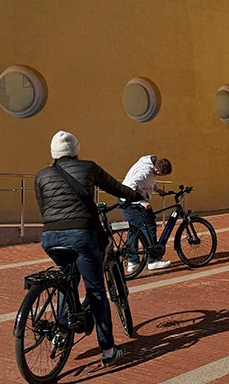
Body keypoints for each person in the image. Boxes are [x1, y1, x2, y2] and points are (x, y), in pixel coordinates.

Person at [34, 131, 144, 368]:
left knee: (67, 281)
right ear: (75, 150)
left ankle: (61, 331)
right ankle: (108, 350)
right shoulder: (88, 167)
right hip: (83, 235)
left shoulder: (42, 175)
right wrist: (136, 195)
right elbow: (115, 186)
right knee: (95, 291)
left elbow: (43, 206)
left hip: (50, 237)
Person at [121, 155, 173, 273]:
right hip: (129, 200)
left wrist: (157, 190)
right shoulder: (144, 172)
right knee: (148, 228)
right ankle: (152, 261)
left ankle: (132, 262)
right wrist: (141, 202)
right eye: (161, 174)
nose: (160, 176)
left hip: (129, 200)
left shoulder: (151, 165)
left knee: (135, 230)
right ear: (157, 170)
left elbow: (149, 182)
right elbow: (130, 186)